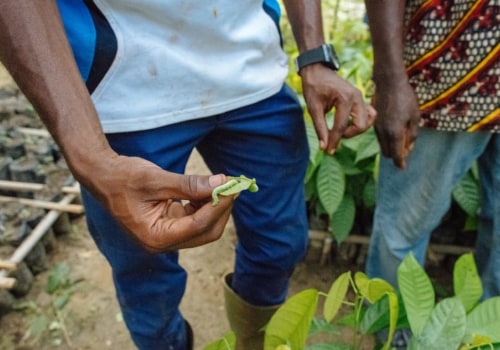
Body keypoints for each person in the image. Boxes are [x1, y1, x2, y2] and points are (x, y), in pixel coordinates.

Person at [0, 1, 375, 349]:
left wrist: (316, 58)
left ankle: (255, 340)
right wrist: (94, 160)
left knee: (279, 246)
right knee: (145, 275)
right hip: (122, 93)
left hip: (254, 76)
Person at [364, 0, 499, 347]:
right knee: (403, 229)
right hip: (446, 76)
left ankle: (486, 337)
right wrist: (390, 79)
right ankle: (393, 338)